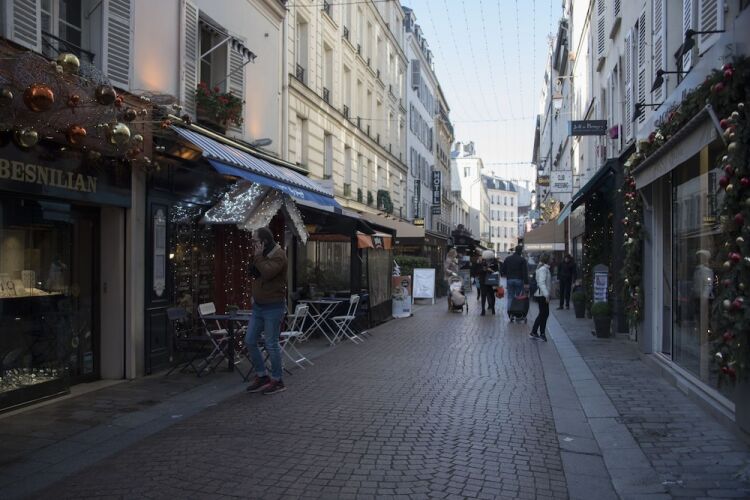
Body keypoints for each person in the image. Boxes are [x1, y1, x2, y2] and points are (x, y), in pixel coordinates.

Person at [245, 227, 288, 395]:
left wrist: (257, 257)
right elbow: (256, 273)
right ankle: (262, 375)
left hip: (273, 306)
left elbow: (268, 273)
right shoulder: (261, 254)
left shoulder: (279, 255)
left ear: (264, 241)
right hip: (258, 306)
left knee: (271, 343)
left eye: (255, 241)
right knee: (250, 340)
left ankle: (277, 380)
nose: (253, 244)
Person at [501, 245, 529, 318]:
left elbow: (503, 269)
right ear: (521, 251)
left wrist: (507, 274)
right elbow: (525, 272)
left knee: (510, 296)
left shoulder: (508, 259)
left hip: (510, 279)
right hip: (519, 280)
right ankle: (517, 312)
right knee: (518, 296)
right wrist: (526, 282)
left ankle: (509, 312)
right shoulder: (522, 260)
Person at [530, 253, 552, 342]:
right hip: (542, 295)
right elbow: (541, 283)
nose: (551, 259)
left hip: (542, 294)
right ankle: (536, 332)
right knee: (543, 314)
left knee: (544, 314)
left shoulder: (543, 268)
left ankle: (539, 333)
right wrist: (546, 295)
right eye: (550, 258)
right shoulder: (543, 269)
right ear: (547, 259)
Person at [478, 249, 498, 315]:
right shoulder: (482, 262)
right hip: (487, 281)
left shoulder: (493, 262)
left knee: (488, 295)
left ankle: (489, 309)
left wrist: (489, 270)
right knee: (487, 295)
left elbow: (496, 271)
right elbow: (478, 271)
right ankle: (485, 309)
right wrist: (486, 269)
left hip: (489, 281)